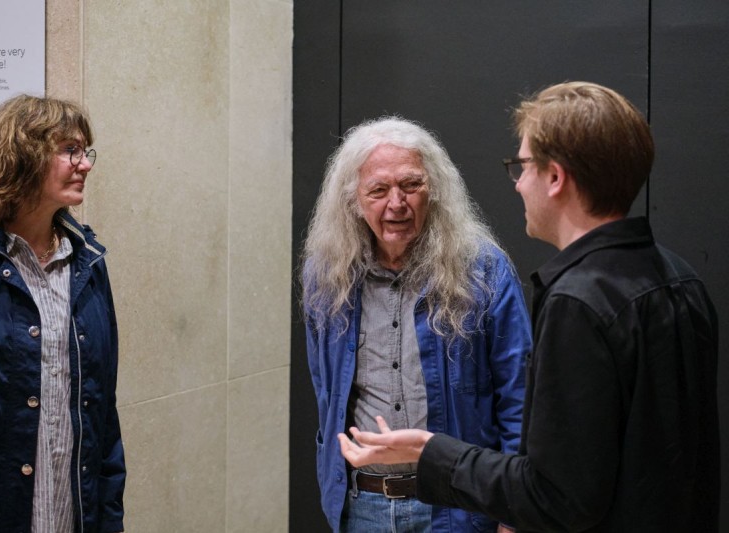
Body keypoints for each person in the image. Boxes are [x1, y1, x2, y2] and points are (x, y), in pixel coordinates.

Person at [339, 82, 720, 532]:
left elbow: (558, 495)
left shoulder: (578, 303)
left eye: (522, 167)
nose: (518, 184)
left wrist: (430, 452)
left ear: (555, 177)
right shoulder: (681, 278)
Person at [302, 116, 532, 532]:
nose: (397, 203)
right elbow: (326, 390)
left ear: (435, 191)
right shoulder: (326, 276)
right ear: (354, 200)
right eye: (378, 190)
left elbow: (519, 396)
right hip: (363, 505)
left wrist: (512, 513)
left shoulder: (483, 270)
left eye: (411, 185)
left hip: (458, 508)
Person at [0, 95, 125, 532]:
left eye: (85, 151)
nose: (85, 164)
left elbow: (103, 414)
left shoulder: (88, 263)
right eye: (69, 149)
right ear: (23, 155)